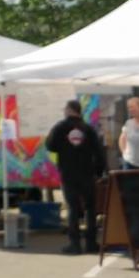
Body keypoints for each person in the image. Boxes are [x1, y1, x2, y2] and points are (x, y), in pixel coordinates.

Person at [45, 100, 109, 255]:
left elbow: (50, 145)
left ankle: (74, 244)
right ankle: (91, 243)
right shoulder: (88, 129)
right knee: (90, 208)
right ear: (79, 111)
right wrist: (99, 172)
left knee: (73, 208)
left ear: (68, 110)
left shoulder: (60, 127)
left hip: (68, 172)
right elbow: (99, 152)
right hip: (87, 172)